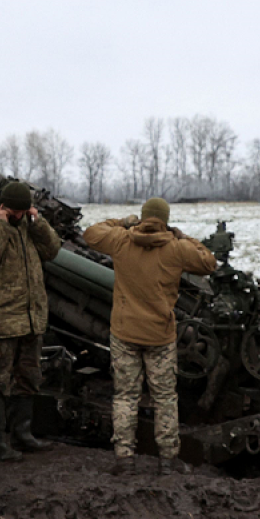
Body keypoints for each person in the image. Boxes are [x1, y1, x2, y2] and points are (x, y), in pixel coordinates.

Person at [83, 197, 217, 475]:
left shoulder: (121, 240)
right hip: (160, 335)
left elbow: (91, 233)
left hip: (124, 332)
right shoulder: (177, 248)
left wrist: (122, 222)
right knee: (165, 398)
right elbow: (209, 262)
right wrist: (183, 236)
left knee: (125, 397)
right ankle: (167, 461)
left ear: (142, 218)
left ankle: (124, 459)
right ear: (165, 220)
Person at [0, 180, 62, 462]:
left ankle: (22, 434)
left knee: (28, 378)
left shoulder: (27, 226)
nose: (20, 217)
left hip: (29, 318)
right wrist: (2, 225)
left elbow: (52, 250)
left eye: (24, 212)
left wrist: (37, 222)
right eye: (16, 213)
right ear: (4, 208)